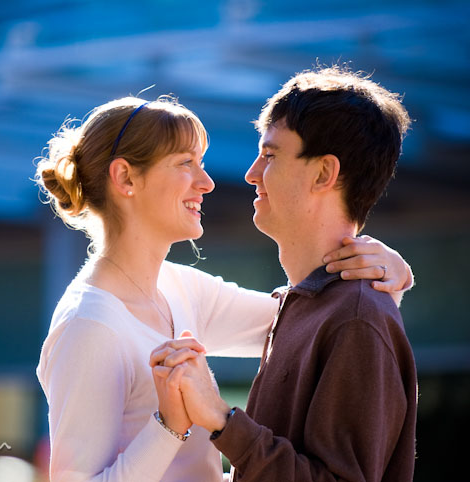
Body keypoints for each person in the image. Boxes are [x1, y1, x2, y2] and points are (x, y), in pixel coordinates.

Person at [35, 95, 413, 481]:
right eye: (186, 163)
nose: (207, 182)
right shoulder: (88, 326)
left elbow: (310, 322)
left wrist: (389, 276)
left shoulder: (182, 289)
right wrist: (168, 426)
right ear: (126, 178)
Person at [152, 67, 417, 481]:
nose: (251, 173)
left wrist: (223, 419)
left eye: (271, 156)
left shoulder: (358, 318)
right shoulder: (304, 305)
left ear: (324, 173)